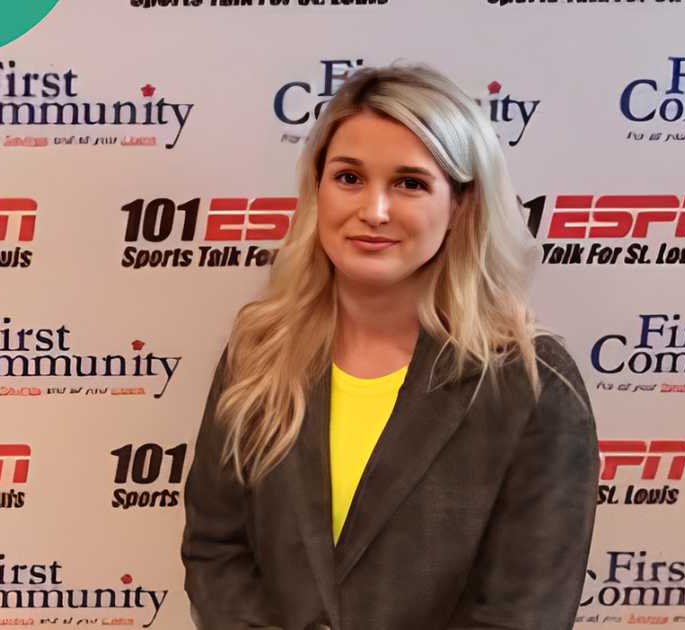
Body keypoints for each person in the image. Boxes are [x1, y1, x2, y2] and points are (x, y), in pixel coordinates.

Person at [181, 63, 599, 630]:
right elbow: (215, 551)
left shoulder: (532, 382)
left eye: (409, 183)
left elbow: (524, 613)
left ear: (461, 206)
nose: (372, 211)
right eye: (349, 177)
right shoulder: (261, 349)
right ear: (318, 189)